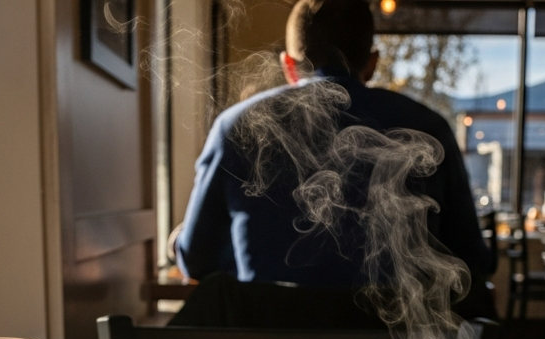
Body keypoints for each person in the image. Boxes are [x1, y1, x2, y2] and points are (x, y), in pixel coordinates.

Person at [171, 0, 492, 319]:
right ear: (372, 63)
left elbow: (198, 260)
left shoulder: (236, 126)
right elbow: (470, 261)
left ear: (288, 66)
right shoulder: (428, 128)